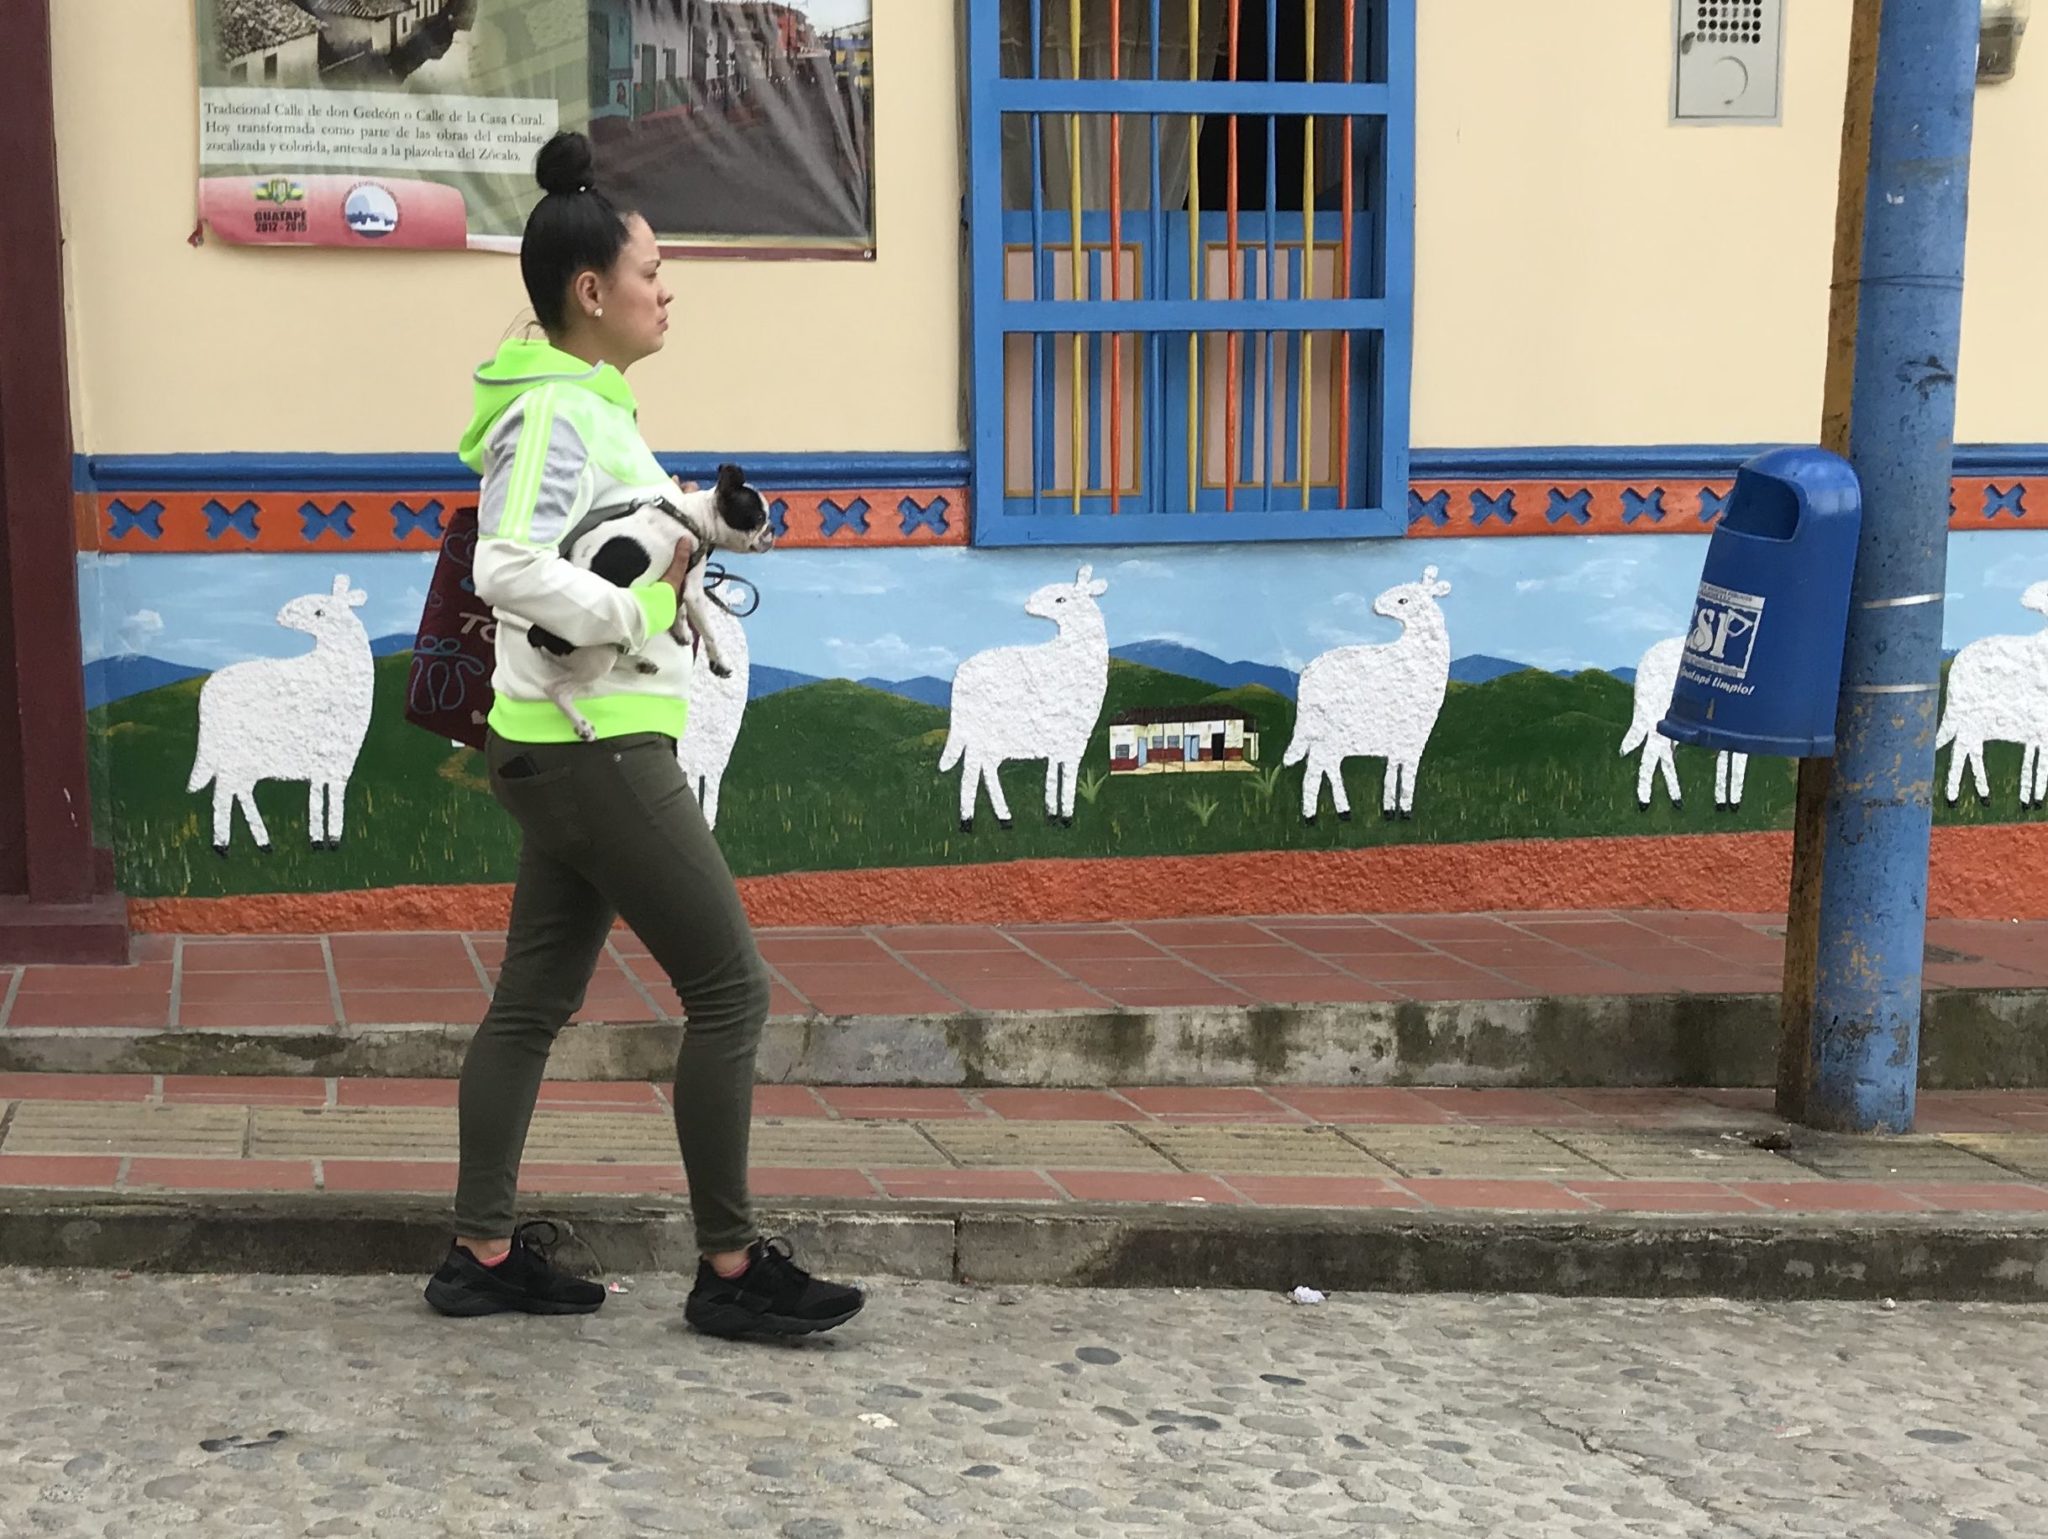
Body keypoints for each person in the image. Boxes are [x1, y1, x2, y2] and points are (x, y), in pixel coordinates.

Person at [423, 131, 863, 1340]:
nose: (667, 290)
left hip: (571, 740)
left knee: (528, 1004)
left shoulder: (588, 406)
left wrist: (696, 533)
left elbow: (626, 533)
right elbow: (510, 563)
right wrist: (634, 608)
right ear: (590, 291)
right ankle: (729, 1270)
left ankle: (482, 1251)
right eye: (652, 269)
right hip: (594, 745)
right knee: (730, 993)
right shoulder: (555, 415)